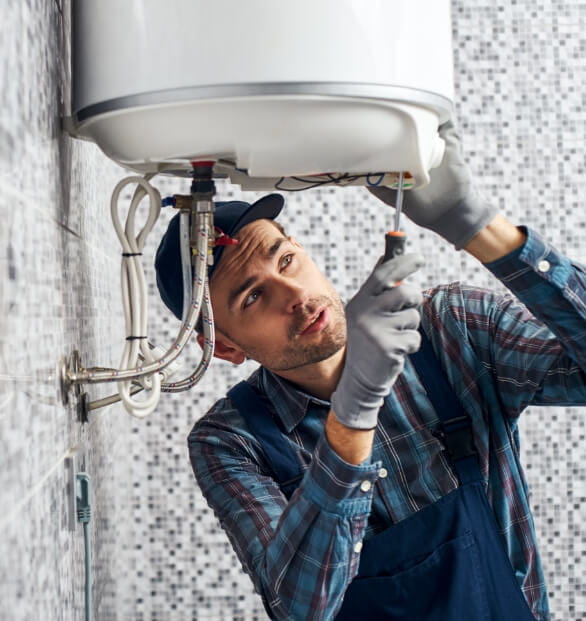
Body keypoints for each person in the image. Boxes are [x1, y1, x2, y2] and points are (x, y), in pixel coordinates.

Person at [155, 122, 586, 620]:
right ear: (225, 347)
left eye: (287, 260)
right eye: (253, 296)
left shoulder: (450, 330)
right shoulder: (231, 441)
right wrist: (354, 409)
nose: (294, 295)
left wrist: (477, 225)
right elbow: (300, 607)